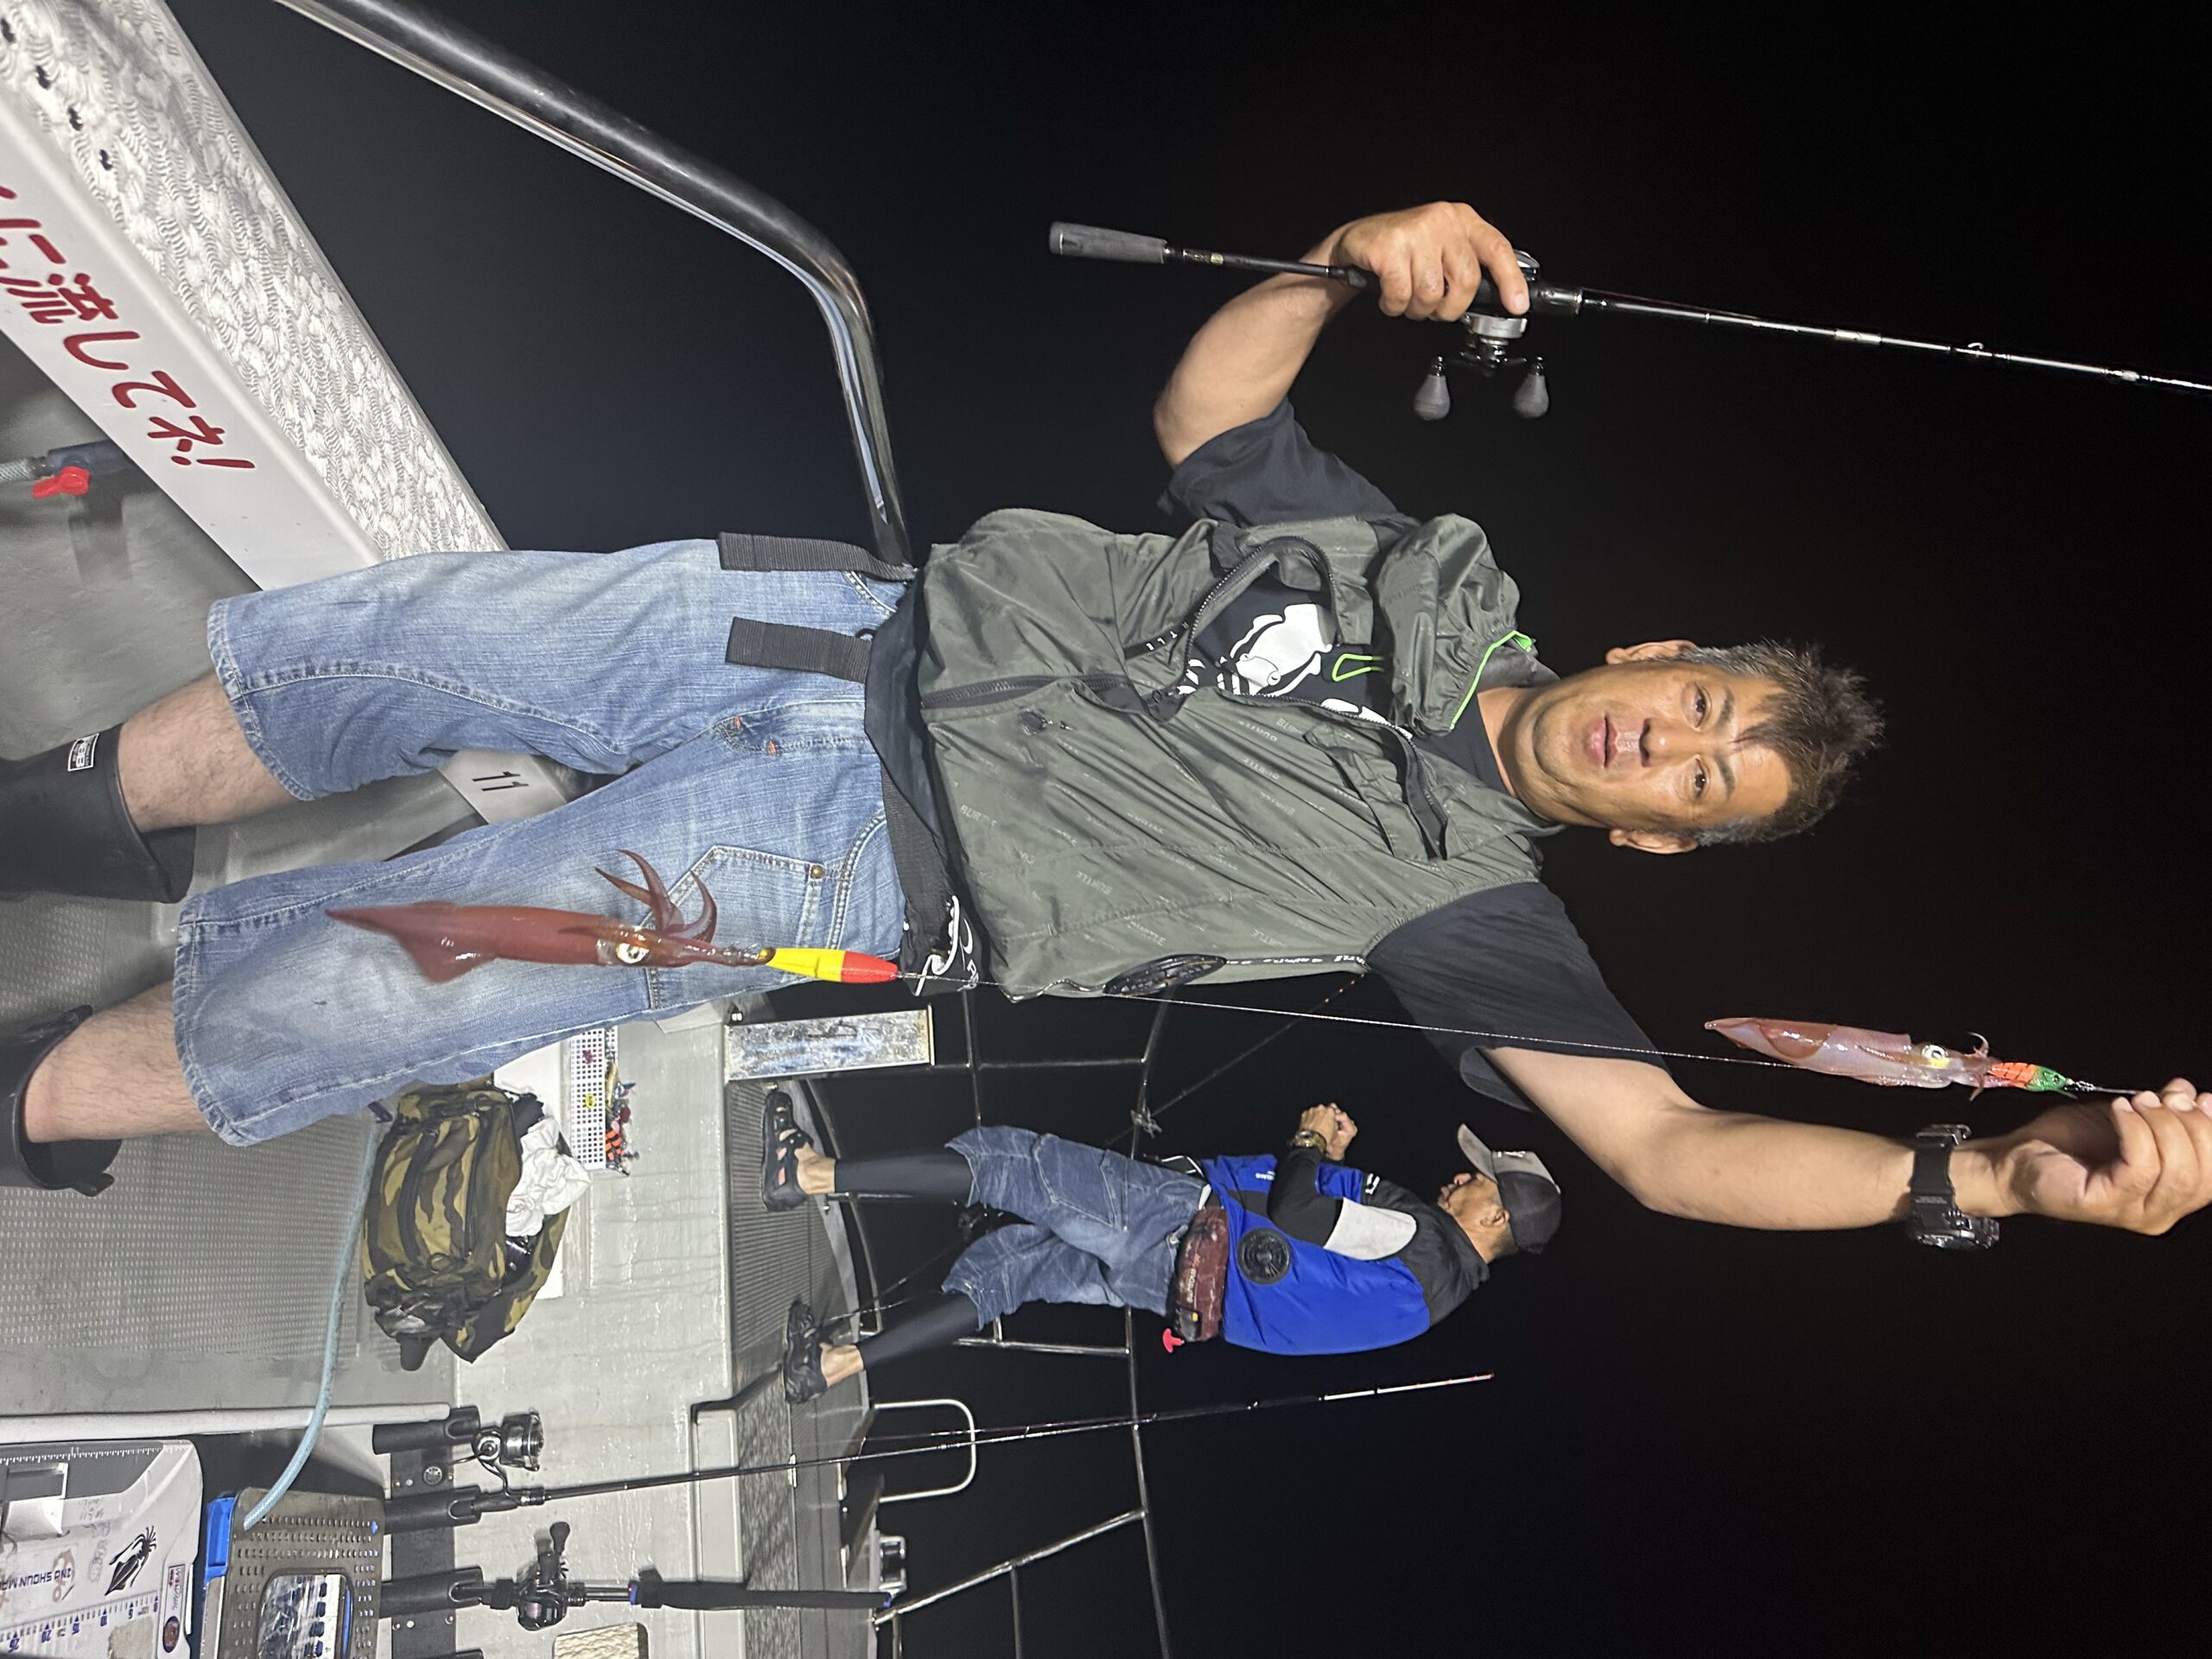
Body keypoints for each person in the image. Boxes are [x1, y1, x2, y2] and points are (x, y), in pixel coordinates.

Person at [5, 202, 2208, 1251]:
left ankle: (39, 1094)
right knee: (398, 645)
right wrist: (1342, 267)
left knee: (397, 975)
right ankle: (69, 816)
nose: (1674, 751)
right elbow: (1205, 410)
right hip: (828, 619)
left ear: (1654, 848)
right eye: (1700, 708)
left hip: (843, 865)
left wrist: (1982, 1174)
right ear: (1653, 652)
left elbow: (1661, 1148)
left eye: (1707, 789)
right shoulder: (1409, 561)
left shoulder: (1471, 909)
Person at [763, 1095, 1555, 1402]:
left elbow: (1295, 1208)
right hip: (1178, 1294)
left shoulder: (1421, 1233)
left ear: (1497, 1217)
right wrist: (1331, 1173)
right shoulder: (1433, 1299)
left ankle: (805, 1173)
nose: (1462, 1176)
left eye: (1480, 1180)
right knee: (1009, 1270)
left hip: (1177, 1227)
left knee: (1008, 1162)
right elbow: (1317, 1268)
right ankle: (832, 1366)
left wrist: (1310, 1140)